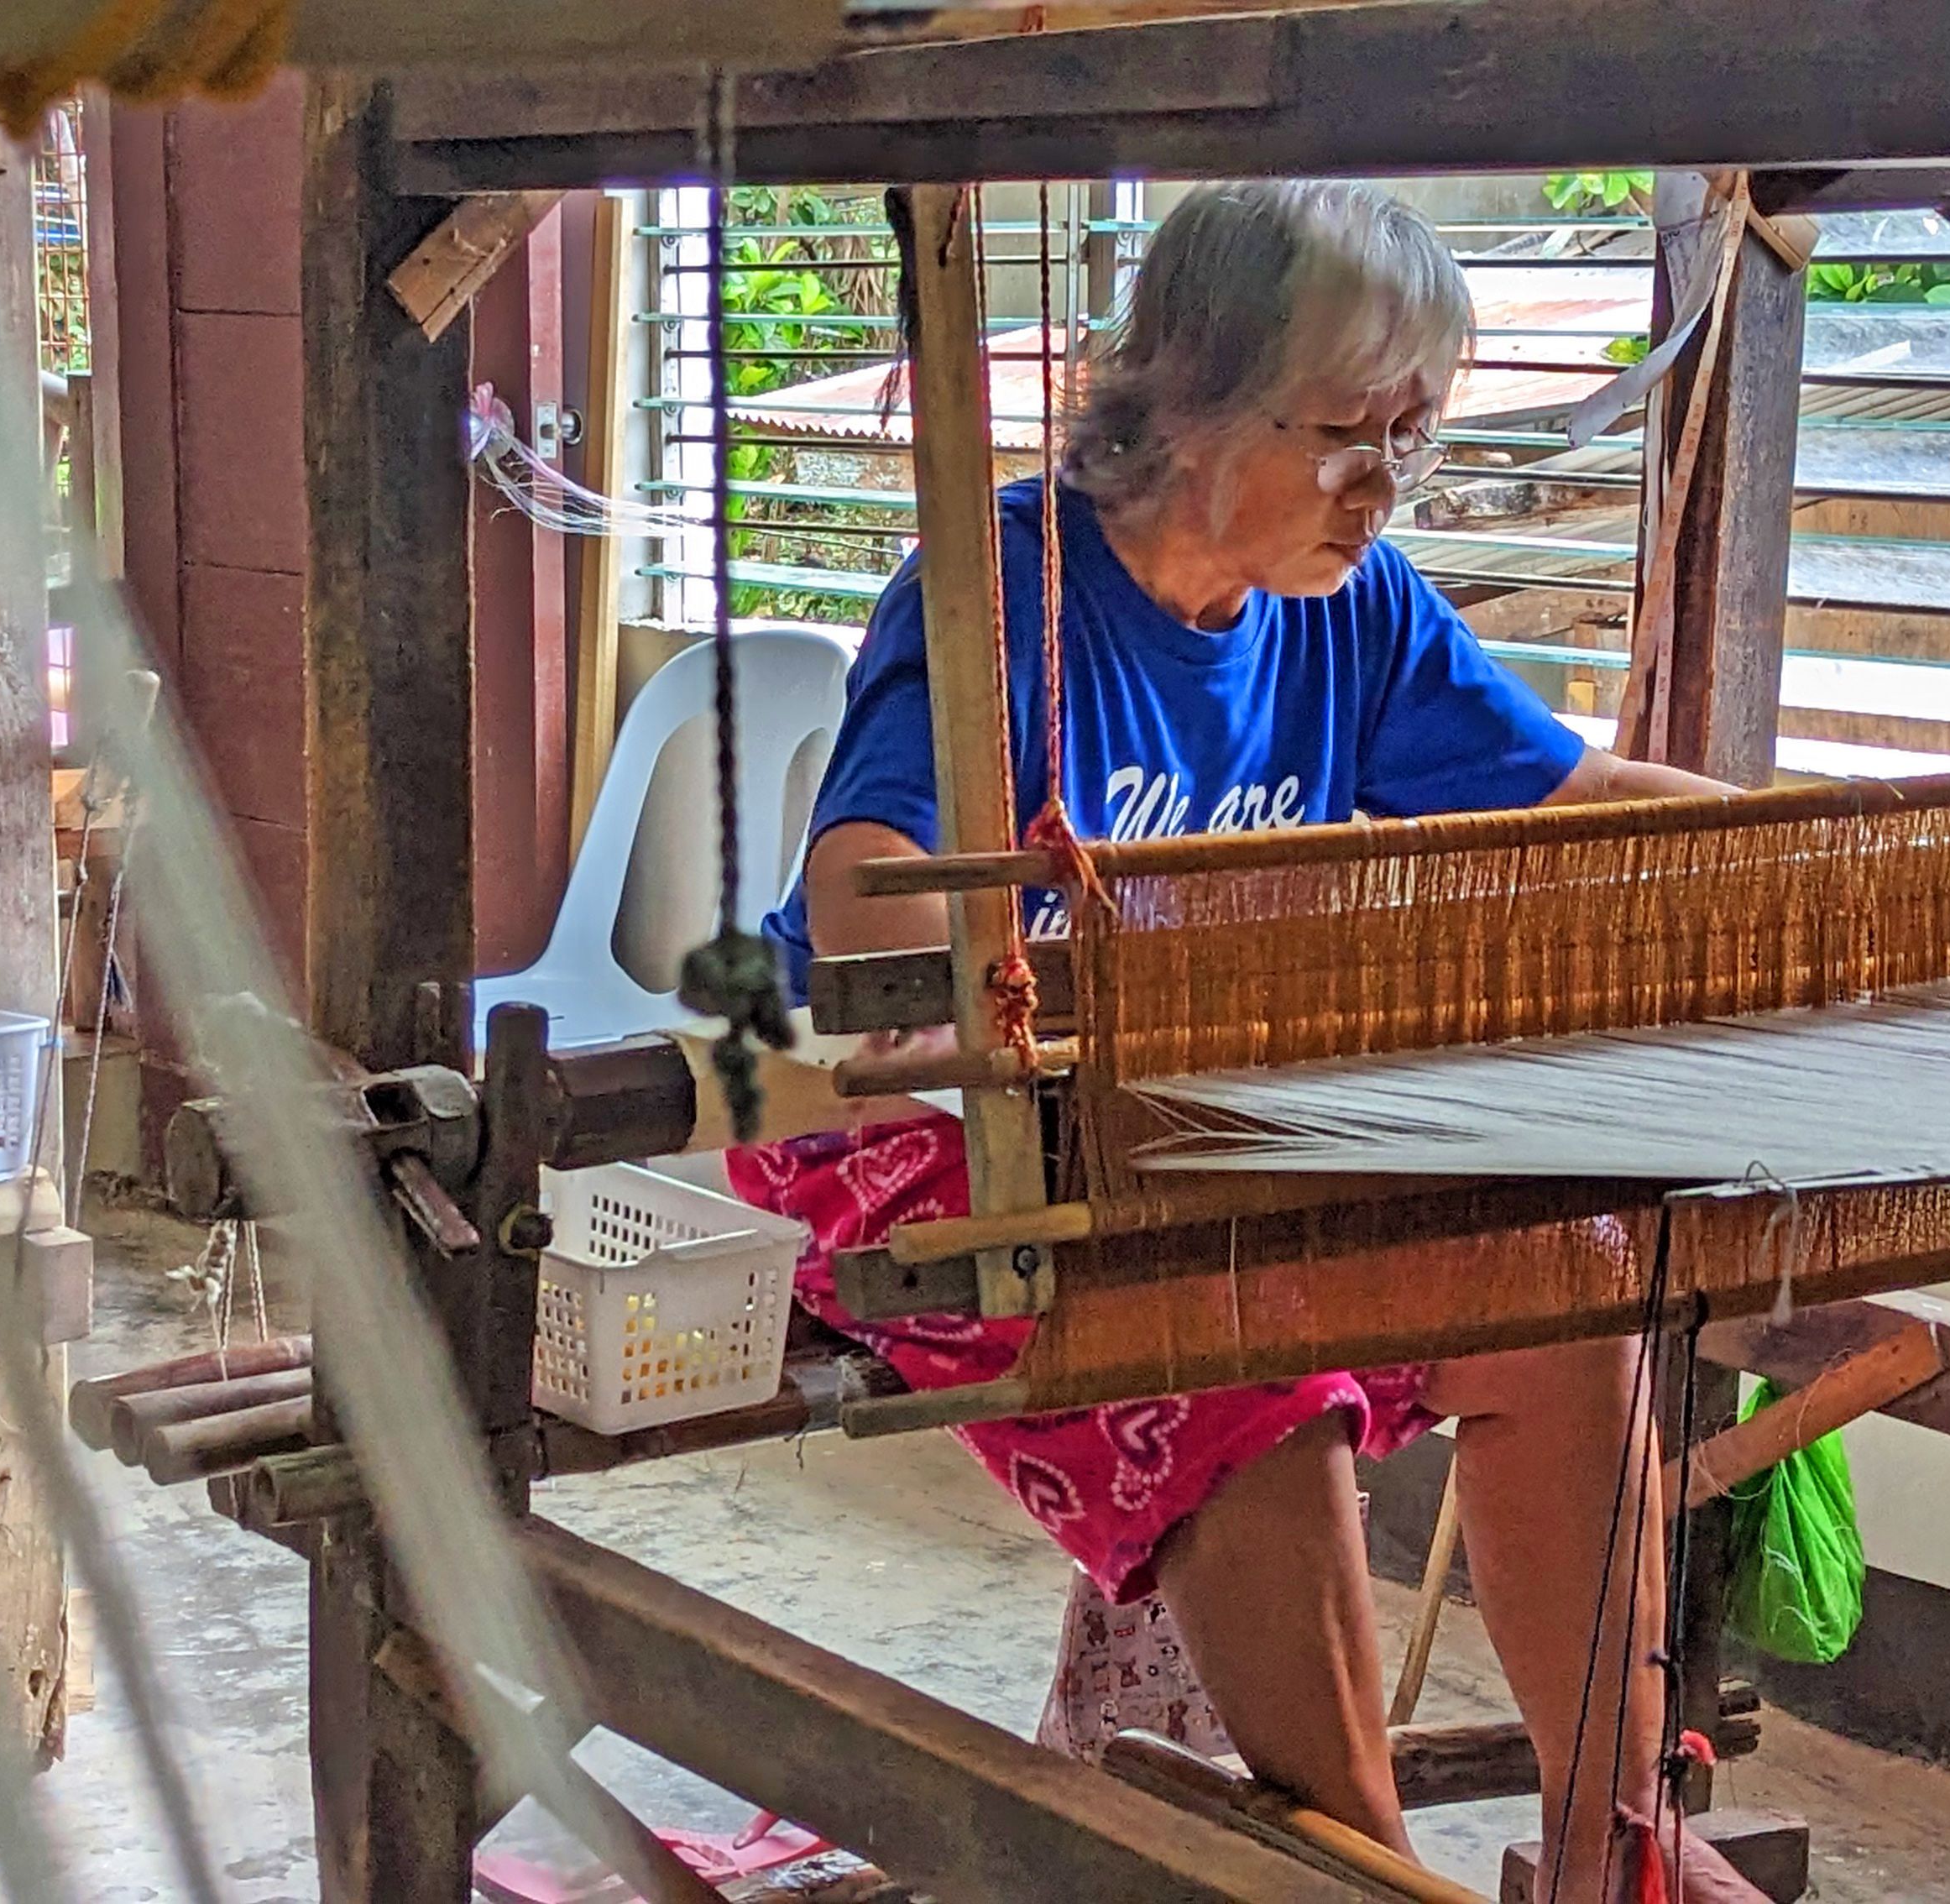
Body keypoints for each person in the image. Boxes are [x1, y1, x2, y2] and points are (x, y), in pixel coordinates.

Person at [731, 180, 1765, 1904]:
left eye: (1411, 443)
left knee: (1568, 1298)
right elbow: (865, 906)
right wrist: (1056, 998)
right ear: (1193, 405)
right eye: (1350, 435)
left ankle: (1620, 1850)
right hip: (925, 1129)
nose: (1384, 488)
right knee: (1240, 1362)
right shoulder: (1007, 591)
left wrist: (1845, 849)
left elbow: (1574, 801)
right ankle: (1363, 1872)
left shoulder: (1350, 605)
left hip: (1198, 1124)